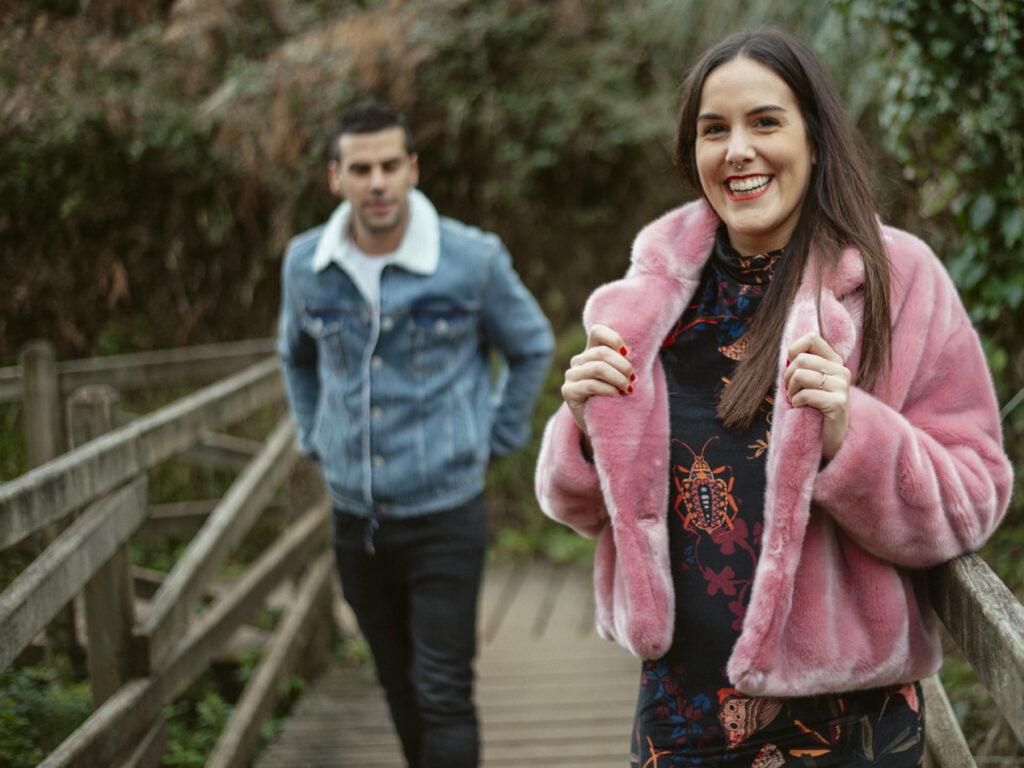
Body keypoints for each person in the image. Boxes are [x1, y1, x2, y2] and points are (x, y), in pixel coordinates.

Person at [535, 28, 1012, 766]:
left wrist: (850, 436)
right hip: (678, 714)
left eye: (765, 122)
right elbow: (580, 509)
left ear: (815, 139)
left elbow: (974, 496)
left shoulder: (894, 280)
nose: (738, 151)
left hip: (843, 720)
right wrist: (581, 432)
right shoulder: (646, 301)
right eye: (713, 130)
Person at [278, 100, 554, 768]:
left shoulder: (471, 260)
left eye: (390, 166)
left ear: (412, 170)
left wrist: (493, 437)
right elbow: (295, 356)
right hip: (355, 517)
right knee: (397, 683)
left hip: (444, 514)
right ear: (335, 177)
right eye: (362, 168)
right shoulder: (305, 263)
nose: (377, 182)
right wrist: (314, 435)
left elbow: (532, 346)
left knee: (442, 690)